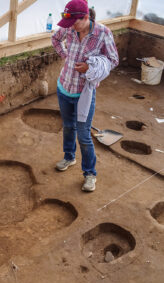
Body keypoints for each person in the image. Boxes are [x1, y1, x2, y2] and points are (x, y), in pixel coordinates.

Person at [51, 0, 119, 192]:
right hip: (64, 86)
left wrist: (91, 67)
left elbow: (114, 60)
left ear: (86, 17)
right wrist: (66, 56)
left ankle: (90, 174)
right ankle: (69, 157)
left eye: (75, 22)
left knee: (84, 135)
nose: (71, 27)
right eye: (69, 23)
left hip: (84, 93)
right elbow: (55, 39)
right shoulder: (69, 28)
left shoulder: (103, 33)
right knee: (67, 126)